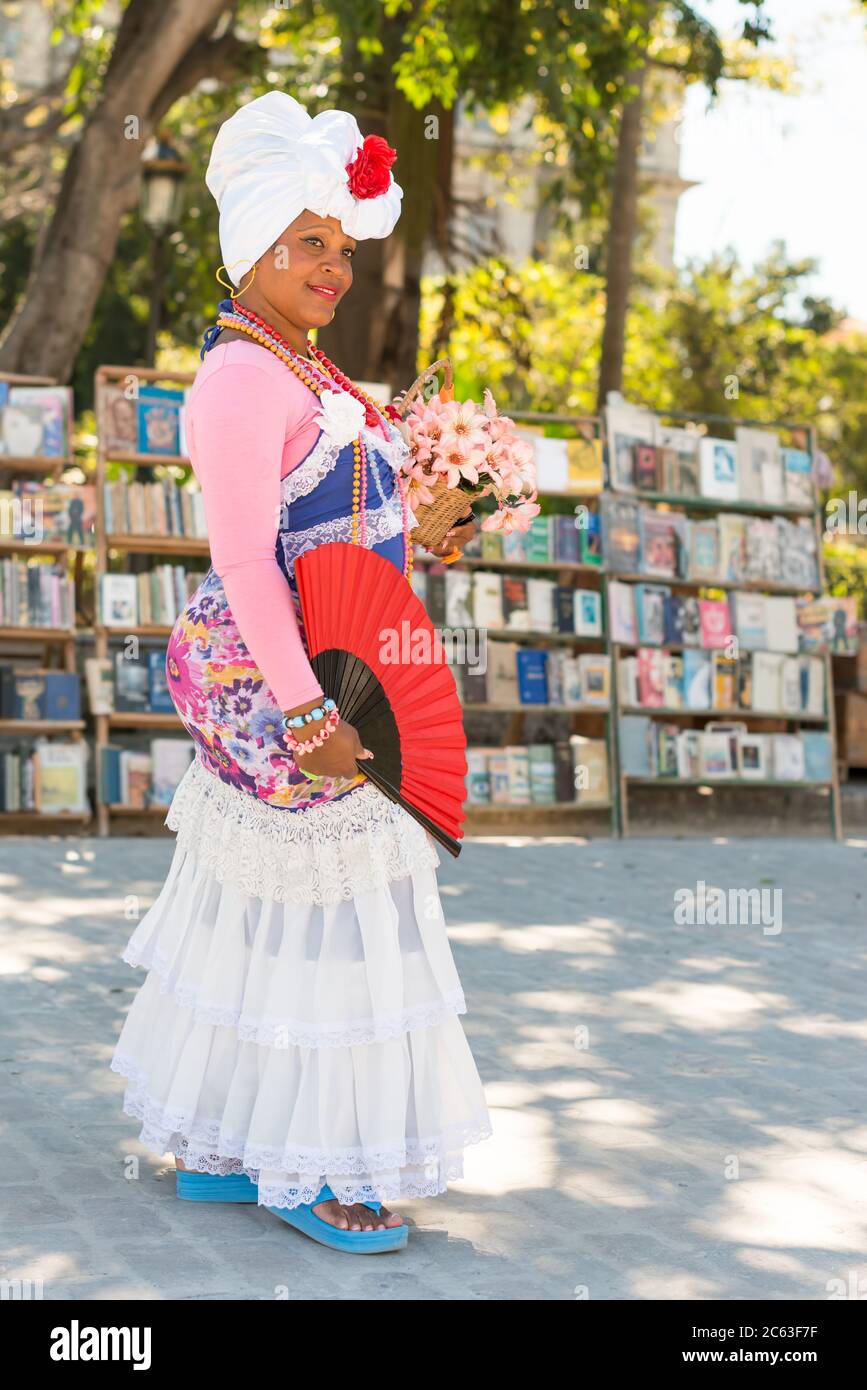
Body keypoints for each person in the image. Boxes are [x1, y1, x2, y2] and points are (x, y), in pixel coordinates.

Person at [109, 91, 492, 1254]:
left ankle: (232, 1139)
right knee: (339, 913)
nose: (334, 267)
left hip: (330, 656)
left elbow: (331, 527)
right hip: (282, 673)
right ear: (256, 246)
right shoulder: (238, 380)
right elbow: (241, 556)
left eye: (340, 244)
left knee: (279, 909)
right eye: (308, 243)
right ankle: (307, 1165)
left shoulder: (311, 370)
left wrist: (421, 531)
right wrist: (305, 706)